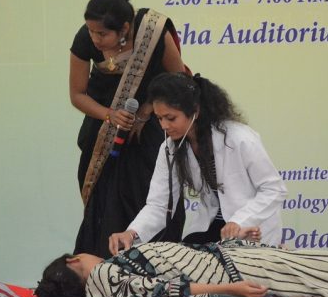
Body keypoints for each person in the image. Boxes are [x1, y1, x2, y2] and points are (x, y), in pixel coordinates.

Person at [70, 0, 186, 258]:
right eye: (91, 31)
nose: (95, 38)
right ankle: (103, 267)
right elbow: (78, 95)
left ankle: (160, 264)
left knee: (151, 197)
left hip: (150, 131)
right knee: (103, 206)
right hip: (103, 133)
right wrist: (110, 115)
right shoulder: (85, 38)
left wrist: (147, 110)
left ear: (124, 28)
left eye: (102, 34)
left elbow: (179, 80)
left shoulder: (152, 31)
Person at [108, 72, 288, 255]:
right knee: (182, 259)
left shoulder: (239, 138)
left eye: (171, 118)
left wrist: (239, 221)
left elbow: (274, 189)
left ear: (195, 111)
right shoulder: (170, 148)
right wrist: (132, 233)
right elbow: (160, 205)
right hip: (211, 229)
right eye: (159, 118)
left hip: (251, 229)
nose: (164, 126)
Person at [35, 238, 328, 297]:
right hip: (238, 271)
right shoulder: (103, 277)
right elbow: (162, 290)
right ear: (73, 261)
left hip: (237, 261)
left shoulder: (106, 280)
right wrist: (231, 290)